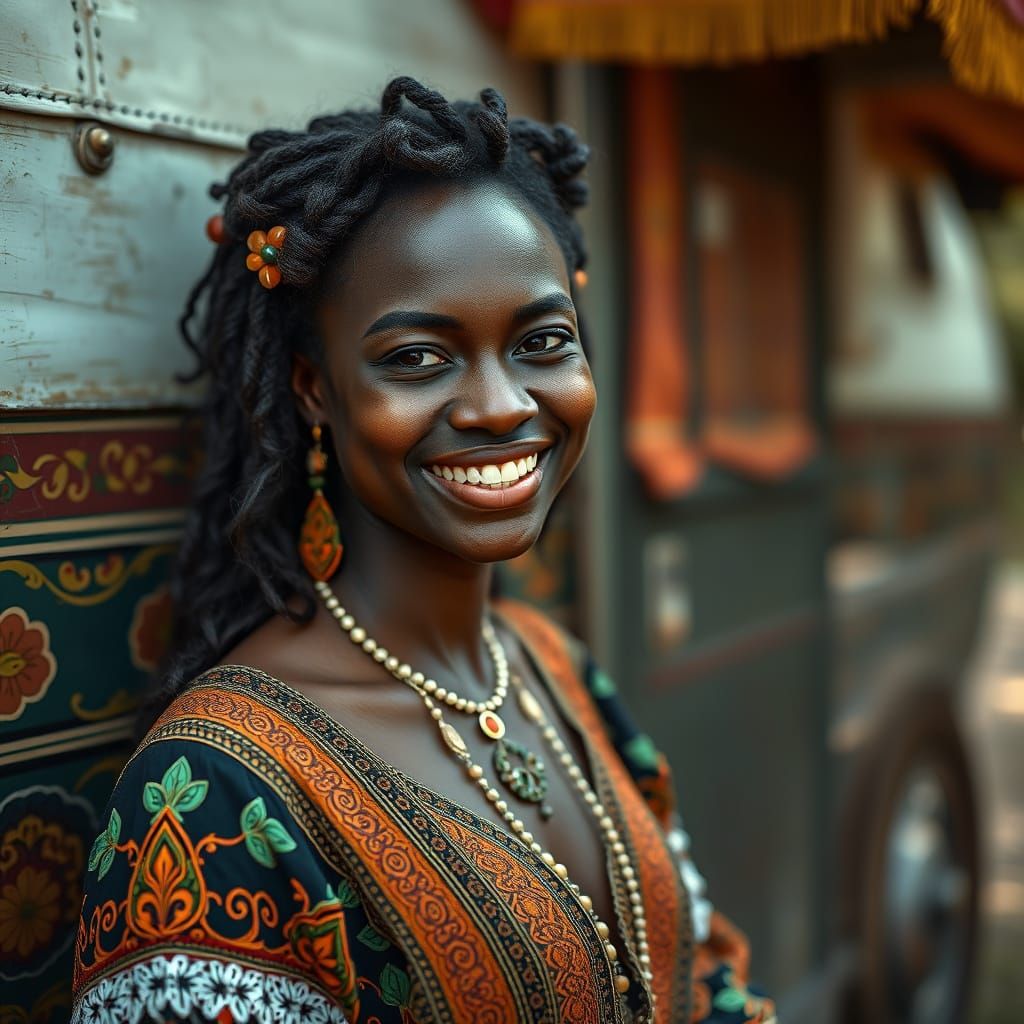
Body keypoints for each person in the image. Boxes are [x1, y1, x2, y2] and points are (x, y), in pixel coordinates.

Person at [71, 77, 775, 1024]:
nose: (500, 406)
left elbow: (703, 970)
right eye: (418, 358)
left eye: (543, 342)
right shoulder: (207, 799)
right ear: (313, 389)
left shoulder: (552, 667)